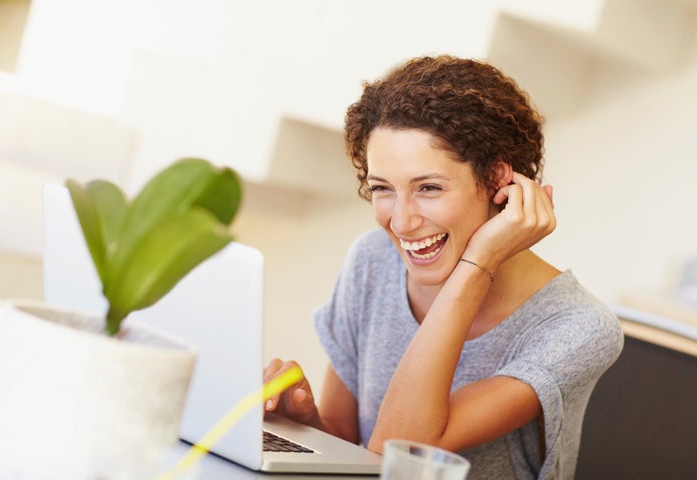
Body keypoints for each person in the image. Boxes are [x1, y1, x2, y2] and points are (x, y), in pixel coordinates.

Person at [263, 55, 623, 479]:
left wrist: (477, 263)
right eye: (383, 189)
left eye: (428, 188)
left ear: (498, 181)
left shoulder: (576, 327)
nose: (400, 222)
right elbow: (350, 444)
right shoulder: (373, 261)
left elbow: (398, 451)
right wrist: (303, 424)